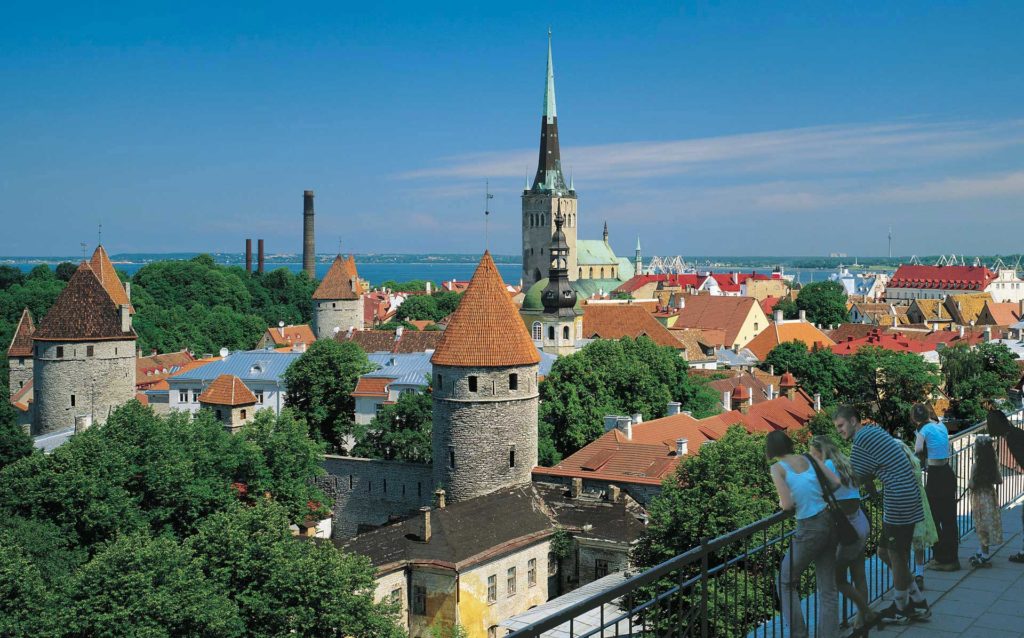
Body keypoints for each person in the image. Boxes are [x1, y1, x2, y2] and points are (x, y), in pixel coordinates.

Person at [834, 405, 930, 624]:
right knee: (884, 552)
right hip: (905, 496)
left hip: (899, 499)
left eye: (840, 426)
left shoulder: (861, 441)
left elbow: (854, 478)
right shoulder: (873, 431)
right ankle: (917, 601)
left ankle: (901, 607)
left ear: (852, 420)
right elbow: (869, 470)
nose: (839, 431)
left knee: (896, 554)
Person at [766, 430, 840, 638]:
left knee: (786, 581)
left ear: (771, 450)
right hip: (828, 520)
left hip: (809, 527)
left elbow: (787, 504)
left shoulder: (777, 468)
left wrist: (783, 503)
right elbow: (835, 483)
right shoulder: (808, 458)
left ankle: (799, 634)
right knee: (828, 588)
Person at [809, 436, 877, 631]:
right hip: (860, 522)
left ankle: (867, 613)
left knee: (838, 580)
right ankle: (860, 621)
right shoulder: (847, 462)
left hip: (848, 530)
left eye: (814, 454)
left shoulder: (828, 466)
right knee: (859, 576)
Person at [913, 404, 959, 572]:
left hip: (935, 475)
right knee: (949, 520)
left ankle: (941, 558)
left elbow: (917, 449)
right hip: (948, 473)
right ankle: (953, 558)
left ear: (915, 418)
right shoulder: (942, 426)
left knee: (933, 520)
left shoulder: (923, 429)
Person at [969, 435, 1003, 566]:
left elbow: (971, 485)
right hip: (990, 497)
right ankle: (981, 550)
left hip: (978, 498)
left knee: (981, 525)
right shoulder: (993, 465)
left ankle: (985, 555)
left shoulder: (975, 467)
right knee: (987, 524)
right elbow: (999, 480)